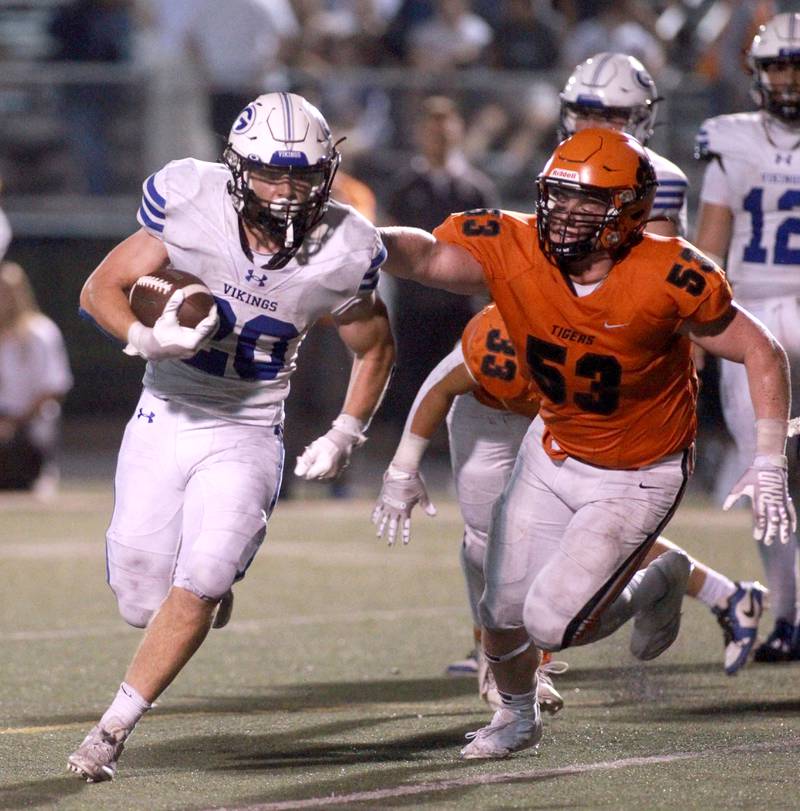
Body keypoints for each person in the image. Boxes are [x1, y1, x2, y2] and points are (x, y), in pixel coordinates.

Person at [377, 128, 792, 759]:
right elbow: (427, 255)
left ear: (628, 212)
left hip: (640, 468)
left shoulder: (667, 272)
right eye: (558, 197)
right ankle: (517, 716)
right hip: (552, 447)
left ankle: (662, 578)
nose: (564, 216)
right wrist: (366, 244)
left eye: (586, 202)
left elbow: (761, 348)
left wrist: (767, 458)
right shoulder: (515, 245)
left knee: (552, 623)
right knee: (501, 608)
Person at [67, 92, 394, 782]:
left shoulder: (346, 243)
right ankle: (202, 591)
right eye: (272, 175)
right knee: (137, 600)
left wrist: (346, 429)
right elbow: (101, 287)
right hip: (165, 413)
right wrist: (144, 333)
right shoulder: (190, 199)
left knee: (206, 573)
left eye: (302, 175)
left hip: (248, 428)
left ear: (327, 172)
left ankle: (112, 727)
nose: (286, 191)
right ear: (236, 169)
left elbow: (374, 346)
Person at [372, 301, 769, 718]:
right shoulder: (502, 338)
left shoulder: (611, 335)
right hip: (489, 414)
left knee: (584, 522)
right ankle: (494, 652)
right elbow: (439, 386)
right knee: (484, 541)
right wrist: (403, 468)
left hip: (567, 418)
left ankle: (526, 662)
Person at [440, 50, 692, 682]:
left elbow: (648, 290)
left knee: (560, 557)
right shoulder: (561, 169)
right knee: (497, 533)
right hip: (550, 348)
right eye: (586, 111)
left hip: (609, 369)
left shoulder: (655, 180)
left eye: (612, 114)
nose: (596, 125)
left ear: (643, 118)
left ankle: (551, 645)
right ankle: (511, 665)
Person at [694, 11, 800, 663]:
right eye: (779, 67)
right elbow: (709, 250)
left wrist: (696, 334)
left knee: (770, 471)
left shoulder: (730, 138)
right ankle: (791, 614)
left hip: (751, 317)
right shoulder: (729, 138)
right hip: (754, 311)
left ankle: (791, 617)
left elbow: (708, 250)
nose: (787, 80)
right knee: (772, 476)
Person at [384, 95, 498, 424]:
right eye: (432, 129)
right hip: (414, 306)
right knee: (413, 381)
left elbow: (492, 249)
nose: (440, 136)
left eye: (446, 128)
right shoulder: (403, 188)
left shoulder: (476, 190)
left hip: (461, 308)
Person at [0, 262, 73, 495]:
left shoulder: (40, 332)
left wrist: (13, 422)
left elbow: (53, 387)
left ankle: (41, 472)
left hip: (28, 424)